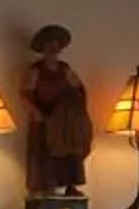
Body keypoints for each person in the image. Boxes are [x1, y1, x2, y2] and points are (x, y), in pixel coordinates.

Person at [22, 23, 94, 196]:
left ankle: (70, 184)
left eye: (56, 46)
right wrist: (36, 112)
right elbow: (25, 94)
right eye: (49, 46)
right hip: (45, 117)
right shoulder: (35, 70)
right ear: (43, 48)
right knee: (45, 152)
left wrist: (74, 109)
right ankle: (45, 185)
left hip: (65, 120)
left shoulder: (65, 69)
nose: (53, 49)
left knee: (70, 151)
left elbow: (78, 89)